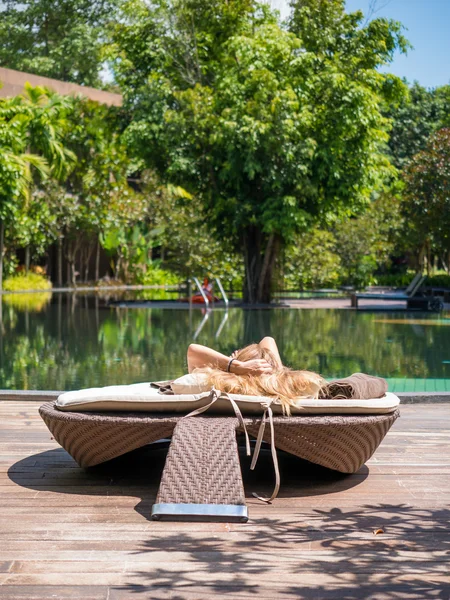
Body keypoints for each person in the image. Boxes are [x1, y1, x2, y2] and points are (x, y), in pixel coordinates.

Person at [187, 337, 325, 413]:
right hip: (285, 445)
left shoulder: (222, 384)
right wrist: (277, 371)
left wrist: (235, 366)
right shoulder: (296, 385)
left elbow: (193, 350)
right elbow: (268, 340)